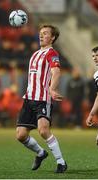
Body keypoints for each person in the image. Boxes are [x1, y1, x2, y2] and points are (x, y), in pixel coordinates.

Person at [16, 25, 67, 173]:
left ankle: (61, 162)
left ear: (52, 38)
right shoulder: (35, 54)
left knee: (43, 130)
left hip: (43, 98)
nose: (41, 35)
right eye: (40, 33)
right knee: (20, 135)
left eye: (45, 33)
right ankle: (40, 153)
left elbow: (56, 71)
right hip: (29, 98)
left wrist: (52, 88)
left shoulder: (52, 54)